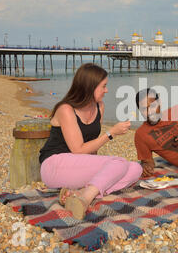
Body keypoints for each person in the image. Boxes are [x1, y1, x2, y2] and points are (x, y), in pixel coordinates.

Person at [39, 63, 142, 220]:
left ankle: (79, 193)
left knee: (135, 168)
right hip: (54, 165)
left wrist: (99, 164)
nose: (106, 90)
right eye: (103, 86)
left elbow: (91, 147)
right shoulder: (66, 109)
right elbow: (78, 150)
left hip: (76, 168)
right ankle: (86, 198)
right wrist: (111, 133)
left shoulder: (99, 106)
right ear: (90, 87)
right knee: (120, 162)